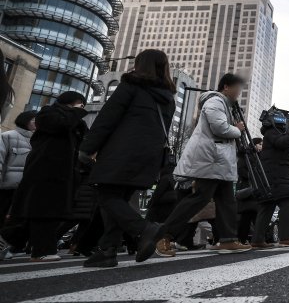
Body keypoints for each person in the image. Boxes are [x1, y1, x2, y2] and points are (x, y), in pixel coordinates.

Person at [77, 50, 177, 266]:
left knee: (106, 196)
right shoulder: (168, 98)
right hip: (148, 157)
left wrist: (87, 148)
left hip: (121, 152)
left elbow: (107, 118)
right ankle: (107, 250)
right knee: (117, 200)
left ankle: (145, 229)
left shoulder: (131, 85)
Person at [157, 73, 252, 256]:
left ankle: (228, 239)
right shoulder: (215, 101)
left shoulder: (224, 104)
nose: (238, 93)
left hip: (219, 161)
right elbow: (220, 128)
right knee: (201, 197)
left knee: (226, 201)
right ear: (225, 87)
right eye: (237, 88)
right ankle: (163, 234)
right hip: (211, 159)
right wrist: (237, 129)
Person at [8, 91, 87, 262]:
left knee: (46, 211)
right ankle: (41, 250)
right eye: (80, 103)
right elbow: (59, 125)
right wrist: (76, 113)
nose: (82, 107)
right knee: (43, 209)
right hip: (44, 168)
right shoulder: (48, 113)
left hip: (63, 172)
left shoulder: (76, 121)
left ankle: (12, 241)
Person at [253, 110, 289, 248]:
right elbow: (284, 142)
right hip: (277, 175)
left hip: (274, 175)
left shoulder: (271, 133)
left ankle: (258, 240)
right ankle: (285, 238)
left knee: (267, 206)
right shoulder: (272, 133)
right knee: (286, 203)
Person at [0, 111, 36, 228]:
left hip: (24, 190)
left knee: (15, 223)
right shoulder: (8, 136)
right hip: (5, 188)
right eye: (34, 120)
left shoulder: (36, 141)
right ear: (25, 120)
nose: (37, 123)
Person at [236, 138, 262, 244]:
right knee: (247, 217)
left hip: (253, 189)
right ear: (254, 144)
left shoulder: (257, 156)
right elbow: (242, 171)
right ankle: (243, 239)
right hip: (248, 189)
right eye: (260, 144)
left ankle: (254, 239)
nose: (261, 146)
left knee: (252, 216)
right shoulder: (246, 156)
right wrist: (255, 176)